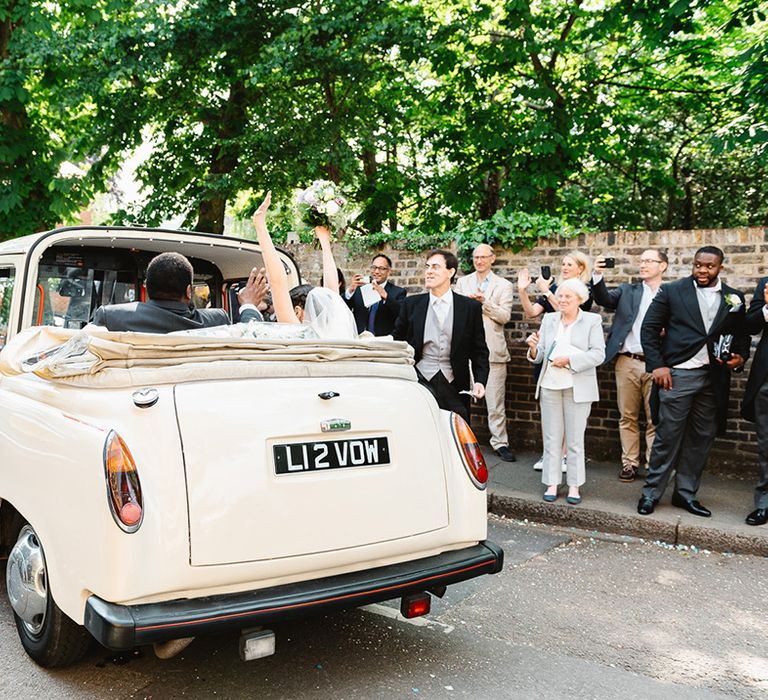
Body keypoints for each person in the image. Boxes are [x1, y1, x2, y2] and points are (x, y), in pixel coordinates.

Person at [637, 246, 749, 517]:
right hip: (678, 375)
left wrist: (741, 357)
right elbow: (649, 329)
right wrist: (659, 365)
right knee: (667, 437)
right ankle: (651, 493)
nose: (702, 270)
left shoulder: (734, 297)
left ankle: (685, 494)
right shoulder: (672, 291)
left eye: (709, 266)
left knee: (701, 438)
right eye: (698, 265)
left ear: (720, 267)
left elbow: (741, 333)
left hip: (714, 378)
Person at [525, 279, 605, 505]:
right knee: (551, 437)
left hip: (577, 386)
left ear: (579, 299)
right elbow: (539, 355)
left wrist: (570, 360)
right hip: (550, 384)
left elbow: (598, 354)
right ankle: (551, 483)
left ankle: (574, 485)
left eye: (567, 297)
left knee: (574, 439)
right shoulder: (549, 319)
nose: (562, 300)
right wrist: (533, 347)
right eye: (560, 296)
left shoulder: (591, 320)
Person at [591, 250, 669, 482]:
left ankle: (653, 465)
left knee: (656, 417)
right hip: (627, 361)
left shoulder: (672, 293)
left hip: (658, 364)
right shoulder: (628, 291)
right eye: (641, 261)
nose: (643, 265)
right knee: (627, 416)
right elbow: (604, 299)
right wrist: (597, 274)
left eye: (649, 261)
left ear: (662, 266)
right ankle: (629, 464)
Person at [518, 251, 593, 473]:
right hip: (548, 358)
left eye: (569, 264)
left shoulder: (585, 291)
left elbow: (576, 313)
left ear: (581, 268)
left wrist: (545, 290)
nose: (564, 267)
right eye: (563, 263)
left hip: (573, 360)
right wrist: (523, 291)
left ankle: (567, 455)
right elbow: (532, 312)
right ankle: (552, 453)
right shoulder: (553, 289)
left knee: (572, 410)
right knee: (551, 410)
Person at [393, 249, 488, 422]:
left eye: (435, 267)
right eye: (427, 267)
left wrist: (480, 381)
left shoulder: (469, 307)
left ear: (450, 272)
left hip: (455, 383)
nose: (429, 271)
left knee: (457, 435)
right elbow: (397, 344)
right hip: (419, 381)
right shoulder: (411, 304)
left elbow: (479, 350)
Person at [252, 192, 357, 340]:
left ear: (297, 311)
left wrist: (260, 227)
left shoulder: (299, 335)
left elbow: (277, 283)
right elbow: (332, 291)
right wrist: (325, 241)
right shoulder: (333, 331)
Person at [90, 252, 265, 333]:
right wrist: (248, 305)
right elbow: (251, 339)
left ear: (147, 288)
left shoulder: (111, 317)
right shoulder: (217, 321)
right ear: (189, 291)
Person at [455, 243, 516, 462]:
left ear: (493, 258)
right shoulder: (462, 282)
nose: (479, 261)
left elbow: (504, 316)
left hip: (492, 352)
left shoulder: (504, 285)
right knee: (461, 401)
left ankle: (500, 443)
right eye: (475, 257)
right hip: (464, 351)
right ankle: (462, 442)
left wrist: (484, 303)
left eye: (483, 257)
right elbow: (455, 311)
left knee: (495, 403)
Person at [740, 277, 768, 526]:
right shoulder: (766, 284)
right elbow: (749, 325)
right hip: (767, 380)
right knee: (766, 446)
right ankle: (764, 503)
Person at [345, 254, 407, 336]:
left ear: (389, 271)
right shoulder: (359, 290)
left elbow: (402, 314)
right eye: (374, 267)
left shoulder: (398, 292)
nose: (377, 271)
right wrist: (350, 290)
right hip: (359, 340)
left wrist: (386, 296)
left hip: (384, 341)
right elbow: (343, 308)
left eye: (381, 268)